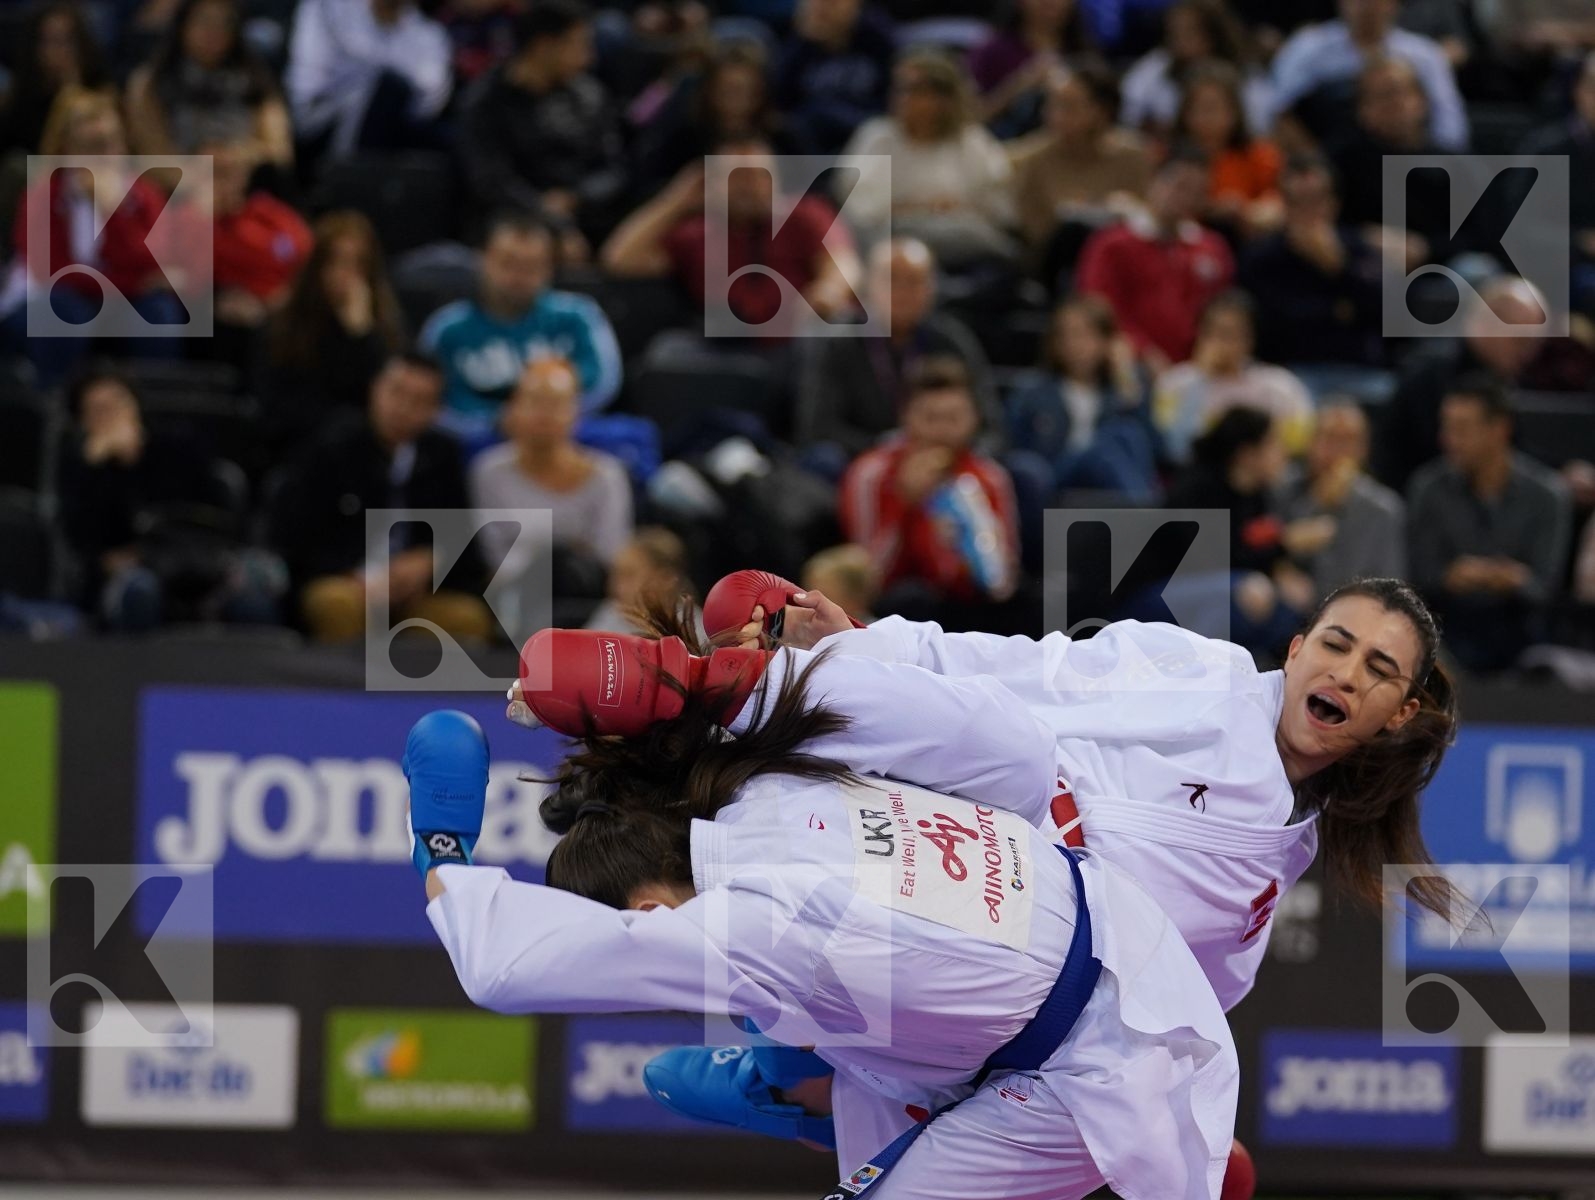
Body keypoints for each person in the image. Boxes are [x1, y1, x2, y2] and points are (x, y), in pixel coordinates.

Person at [414, 610, 1241, 1200]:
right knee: (858, 989)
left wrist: (441, 848)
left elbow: (506, 966)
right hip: (1134, 935)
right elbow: (1018, 750)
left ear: (649, 907)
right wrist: (696, 687)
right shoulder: (773, 774)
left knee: (806, 998)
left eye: (629, 922)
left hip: (1080, 1079)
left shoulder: (748, 928)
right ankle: (802, 1077)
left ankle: (798, 1080)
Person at [695, 566, 1460, 1017]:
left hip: (1024, 986)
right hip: (985, 832)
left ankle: (793, 1080)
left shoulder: (1289, 839)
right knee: (1012, 744)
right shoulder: (1198, 673)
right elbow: (1022, 670)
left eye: (1377, 670)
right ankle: (683, 692)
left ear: (1399, 714)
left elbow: (1212, 988)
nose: (1346, 673)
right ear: (1296, 650)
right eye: (1334, 643)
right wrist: (865, 640)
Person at [273, 353, 492, 644]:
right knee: (336, 604)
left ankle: (423, 690)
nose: (403, 407)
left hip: (415, 594)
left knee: (466, 618)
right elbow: (294, 535)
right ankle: (343, 688)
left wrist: (430, 560)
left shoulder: (443, 456)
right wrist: (355, 576)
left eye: (419, 401)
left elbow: (465, 539)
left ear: (435, 410)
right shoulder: (332, 446)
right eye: (396, 391)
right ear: (375, 389)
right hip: (345, 582)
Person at [58, 370, 281, 631]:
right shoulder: (82, 471)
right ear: (82, 422)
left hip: (198, 559)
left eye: (118, 403)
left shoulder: (178, 449)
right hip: (132, 573)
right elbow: (82, 545)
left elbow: (217, 514)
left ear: (136, 406)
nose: (112, 415)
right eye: (99, 409)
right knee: (140, 591)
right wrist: (98, 469)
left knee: (253, 600)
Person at [0, 88, 188, 386]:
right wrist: (133, 281)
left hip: (116, 303)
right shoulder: (42, 196)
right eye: (88, 145)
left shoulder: (145, 197)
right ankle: (52, 407)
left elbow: (156, 260)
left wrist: (112, 210)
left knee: (159, 313)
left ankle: (154, 411)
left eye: (108, 144)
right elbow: (55, 272)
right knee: (65, 311)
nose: (100, 155)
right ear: (66, 148)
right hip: (47, 299)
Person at [599, 135, 858, 334]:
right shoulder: (696, 234)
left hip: (796, 339)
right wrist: (675, 200)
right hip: (725, 343)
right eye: (737, 178)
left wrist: (827, 293)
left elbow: (844, 264)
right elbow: (620, 259)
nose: (750, 188)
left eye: (759, 176)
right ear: (712, 184)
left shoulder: (804, 214)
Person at [1406, 378, 1573, 672]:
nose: (1448, 439)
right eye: (1446, 427)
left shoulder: (1548, 495)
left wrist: (1513, 579)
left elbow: (1546, 586)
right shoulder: (1428, 488)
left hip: (1523, 628)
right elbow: (1419, 575)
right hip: (1448, 626)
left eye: (1462, 429)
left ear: (1499, 430)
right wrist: (1451, 575)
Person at [794, 238, 999, 468]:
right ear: (868, 286)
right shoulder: (839, 344)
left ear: (932, 288)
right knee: (823, 459)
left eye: (914, 281)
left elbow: (989, 425)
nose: (903, 292)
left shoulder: (952, 342)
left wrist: (951, 458)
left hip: (947, 463)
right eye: (892, 280)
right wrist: (891, 455)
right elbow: (820, 427)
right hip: (865, 461)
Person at [420, 210, 622, 443]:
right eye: (508, 263)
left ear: (549, 269)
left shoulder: (578, 315)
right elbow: (432, 400)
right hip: (475, 443)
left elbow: (602, 382)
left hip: (567, 437)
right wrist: (495, 421)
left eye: (531, 266)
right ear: (483, 259)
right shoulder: (447, 327)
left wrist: (546, 418)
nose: (518, 277)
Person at [838, 356, 1020, 613]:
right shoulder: (871, 473)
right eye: (931, 418)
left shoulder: (990, 477)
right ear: (906, 417)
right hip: (896, 608)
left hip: (972, 604)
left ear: (974, 419)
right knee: (913, 597)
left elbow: (1004, 579)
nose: (942, 430)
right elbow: (867, 578)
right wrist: (905, 502)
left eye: (954, 418)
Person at [458, 0, 626, 254]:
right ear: (544, 46)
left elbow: (614, 169)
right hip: (512, 218)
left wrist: (575, 197)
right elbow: (490, 181)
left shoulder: (591, 96)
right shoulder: (484, 102)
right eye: (580, 45)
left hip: (588, 213)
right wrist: (547, 214)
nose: (589, 58)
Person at [839, 48, 1018, 271]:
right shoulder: (877, 137)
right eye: (899, 89)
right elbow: (861, 210)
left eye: (913, 90)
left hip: (964, 243)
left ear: (942, 99)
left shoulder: (971, 142)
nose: (902, 98)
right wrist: (925, 207)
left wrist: (956, 209)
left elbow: (999, 208)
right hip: (896, 244)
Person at [259, 210, 405, 459]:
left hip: (368, 455)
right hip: (300, 452)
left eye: (357, 264)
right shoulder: (282, 326)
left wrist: (361, 336)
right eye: (334, 262)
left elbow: (387, 404)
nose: (344, 275)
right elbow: (274, 408)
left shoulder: (384, 329)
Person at [468, 356, 633, 575]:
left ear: (576, 413)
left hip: (588, 593)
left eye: (557, 403)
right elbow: (495, 555)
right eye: (534, 401)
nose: (544, 414)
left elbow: (611, 553)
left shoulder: (607, 475)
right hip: (516, 593)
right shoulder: (489, 471)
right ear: (512, 408)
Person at [1075, 145, 1235, 369]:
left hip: (1196, 367)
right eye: (1180, 186)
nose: (1185, 198)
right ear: (1155, 182)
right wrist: (1142, 351)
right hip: (1130, 363)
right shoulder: (1113, 245)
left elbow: (1222, 313)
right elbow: (1098, 311)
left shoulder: (1212, 248)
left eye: (1197, 192)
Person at [1237, 153, 1385, 371]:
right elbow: (1272, 326)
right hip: (1290, 373)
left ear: (1334, 204)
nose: (1308, 212)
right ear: (1283, 205)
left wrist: (1339, 268)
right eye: (1297, 202)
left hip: (1358, 370)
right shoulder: (1260, 257)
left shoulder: (1357, 249)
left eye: (1316, 200)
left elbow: (1386, 314)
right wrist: (1337, 312)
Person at [1004, 293, 1161, 495]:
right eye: (1065, 336)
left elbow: (1154, 448)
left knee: (1127, 432)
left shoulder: (1121, 389)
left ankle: (1144, 514)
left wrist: (1126, 375)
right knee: (1101, 452)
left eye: (1085, 335)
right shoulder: (1032, 392)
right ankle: (1151, 520)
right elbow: (1012, 448)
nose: (1074, 345)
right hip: (1057, 477)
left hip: (1111, 481)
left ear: (1107, 342)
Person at [1269, 0, 1467, 151]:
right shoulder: (1307, 49)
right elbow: (1277, 115)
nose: (1366, 6)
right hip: (1332, 164)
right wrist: (1319, 162)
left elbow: (1450, 126)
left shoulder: (1425, 55)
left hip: (1410, 162)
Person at [1007, 60, 1155, 262]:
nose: (1055, 116)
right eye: (1051, 105)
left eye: (1068, 107)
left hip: (1125, 260)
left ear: (1101, 111)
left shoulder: (1132, 155)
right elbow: (1037, 236)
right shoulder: (1035, 160)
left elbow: (1149, 221)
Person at [125, 0, 293, 169]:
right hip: (178, 187)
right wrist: (201, 174)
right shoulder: (150, 83)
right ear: (182, 24)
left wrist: (233, 156)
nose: (214, 32)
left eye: (224, 23)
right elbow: (152, 157)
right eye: (205, 21)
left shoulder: (256, 79)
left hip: (245, 184)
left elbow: (279, 151)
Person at [1154, 290, 1314, 461]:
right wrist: (1201, 380)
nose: (1222, 342)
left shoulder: (1280, 385)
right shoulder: (1174, 383)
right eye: (1213, 332)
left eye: (1232, 333)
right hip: (1200, 478)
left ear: (1250, 338)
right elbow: (1177, 448)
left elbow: (1300, 445)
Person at [285, 0, 452, 161]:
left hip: (396, 126)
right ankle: (347, 172)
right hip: (321, 124)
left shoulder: (430, 33)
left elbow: (430, 101)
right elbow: (306, 84)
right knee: (385, 88)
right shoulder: (327, 7)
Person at [1279, 398, 1407, 598]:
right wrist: (1316, 503)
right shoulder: (1281, 490)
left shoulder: (1384, 508)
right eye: (1330, 438)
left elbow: (1393, 588)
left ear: (1364, 449)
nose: (1339, 451)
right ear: (1311, 442)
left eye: (1349, 441)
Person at [630, 39, 776, 200]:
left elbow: (802, 193)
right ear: (710, 91)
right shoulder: (685, 137)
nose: (737, 99)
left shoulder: (780, 137)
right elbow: (648, 187)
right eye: (728, 90)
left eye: (744, 90)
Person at [1120, 0, 1272, 137]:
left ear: (1213, 34)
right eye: (1174, 32)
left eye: (1189, 31)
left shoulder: (1246, 72)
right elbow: (1129, 108)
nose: (1179, 40)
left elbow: (1261, 124)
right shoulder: (1158, 64)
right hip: (1176, 151)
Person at [1170, 61, 1281, 237]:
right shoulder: (1167, 156)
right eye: (1194, 109)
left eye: (1211, 109)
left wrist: (1243, 210)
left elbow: (1278, 206)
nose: (1202, 118)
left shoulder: (1258, 155)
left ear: (1234, 113)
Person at [772, 0, 896, 156]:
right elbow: (782, 108)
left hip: (867, 134)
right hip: (811, 144)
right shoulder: (797, 46)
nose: (820, 9)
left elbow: (892, 102)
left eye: (831, 3)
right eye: (813, 3)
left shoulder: (879, 39)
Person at [968, 0, 1095, 137]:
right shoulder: (991, 52)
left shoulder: (1085, 53)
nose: (1050, 2)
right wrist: (1021, 84)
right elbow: (971, 117)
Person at [0, 1, 110, 155]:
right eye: (51, 41)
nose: (60, 50)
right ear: (35, 46)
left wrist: (72, 91)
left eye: (68, 40)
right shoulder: (19, 104)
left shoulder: (104, 93)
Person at [584, 525, 692, 635]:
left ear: (665, 579)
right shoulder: (611, 611)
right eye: (616, 575)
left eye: (629, 575)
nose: (616, 586)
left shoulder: (690, 628)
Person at [801, 543, 878, 625]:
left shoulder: (876, 633)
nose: (810, 602)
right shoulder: (805, 631)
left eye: (825, 595)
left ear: (854, 599)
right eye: (808, 591)